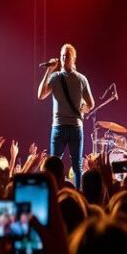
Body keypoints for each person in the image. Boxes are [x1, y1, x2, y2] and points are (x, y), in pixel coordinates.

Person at [37, 43, 94, 189]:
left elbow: (91, 103)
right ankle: (54, 192)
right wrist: (48, 71)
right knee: (53, 164)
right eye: (62, 55)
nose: (63, 58)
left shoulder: (81, 79)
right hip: (59, 127)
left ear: (73, 58)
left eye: (67, 56)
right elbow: (41, 95)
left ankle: (77, 193)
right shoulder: (55, 77)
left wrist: (84, 107)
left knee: (77, 164)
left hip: (75, 127)